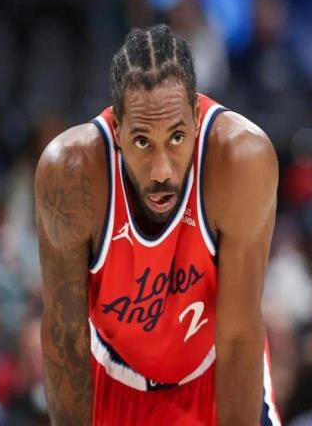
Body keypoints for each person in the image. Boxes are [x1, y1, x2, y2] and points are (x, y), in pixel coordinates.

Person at [35, 24, 280, 426]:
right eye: (143, 142)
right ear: (117, 130)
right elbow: (66, 340)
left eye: (177, 138)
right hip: (112, 377)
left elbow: (238, 338)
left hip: (216, 372)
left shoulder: (240, 161)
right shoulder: (71, 173)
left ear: (197, 119)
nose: (161, 170)